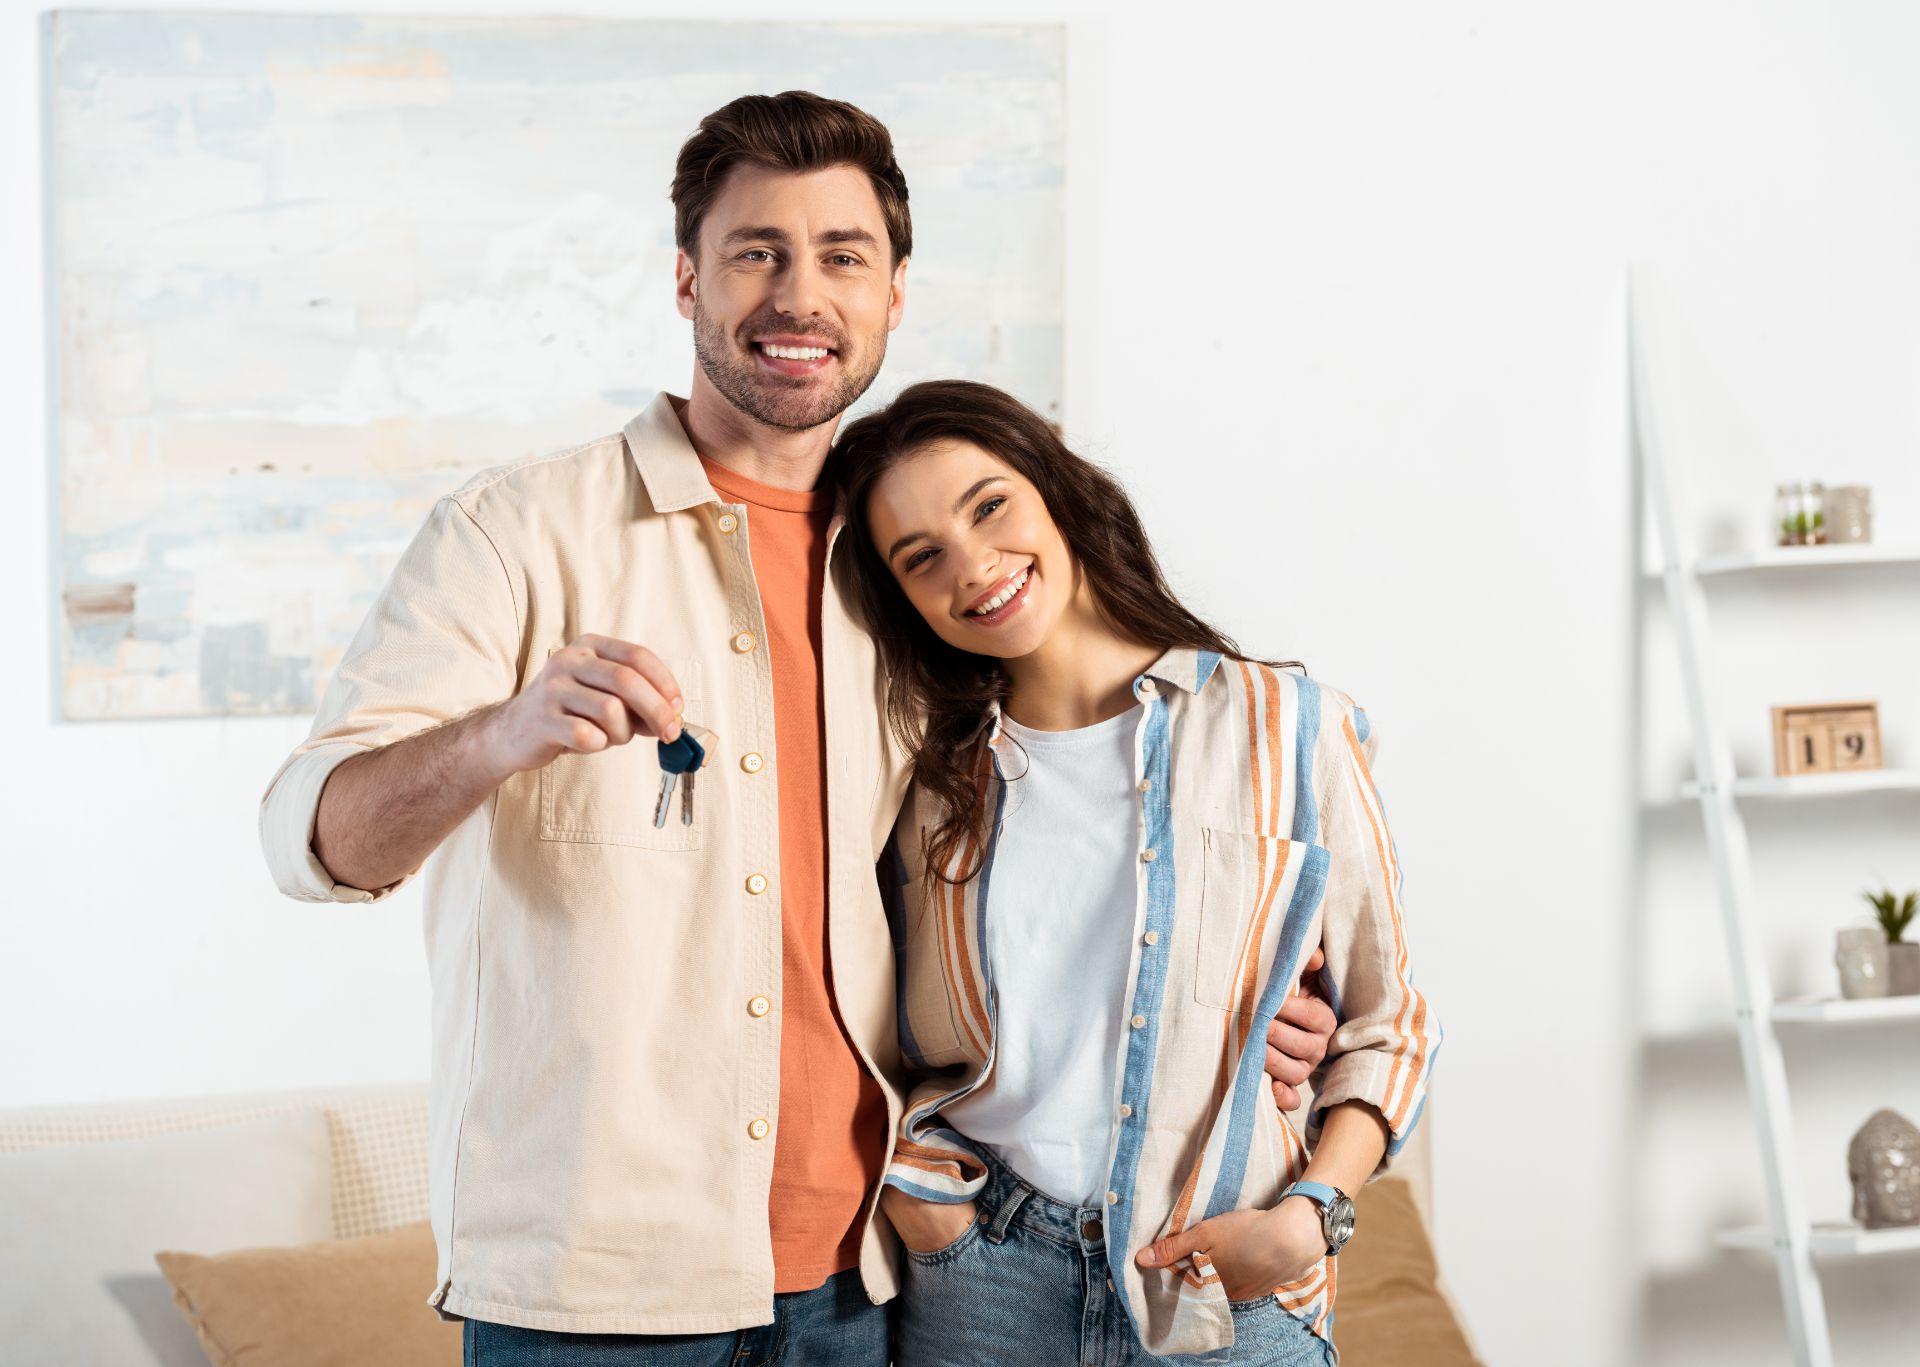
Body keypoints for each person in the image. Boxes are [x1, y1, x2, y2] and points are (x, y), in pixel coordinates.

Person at [259, 91, 1336, 1365]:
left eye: (841, 255)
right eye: (754, 251)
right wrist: (499, 735)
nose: (797, 293)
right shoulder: (515, 532)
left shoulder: (922, 574)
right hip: (594, 1293)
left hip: (874, 1276)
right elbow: (317, 839)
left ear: (891, 292)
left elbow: (1057, 855)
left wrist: (1250, 1000)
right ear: (686, 279)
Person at [826, 380, 1442, 1366]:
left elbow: (1387, 1019)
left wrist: (1306, 1216)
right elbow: (857, 1019)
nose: (974, 565)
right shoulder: (924, 780)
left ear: (1055, 483)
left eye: (987, 505)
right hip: (979, 1286)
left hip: (1222, 1278)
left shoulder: (1287, 726)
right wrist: (919, 1199)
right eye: (920, 556)